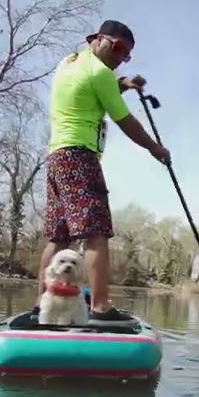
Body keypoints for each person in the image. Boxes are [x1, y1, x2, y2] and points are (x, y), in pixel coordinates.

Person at [34, 19, 171, 322]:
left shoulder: (69, 63)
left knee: (58, 237)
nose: (122, 59)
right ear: (102, 40)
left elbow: (94, 89)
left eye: (127, 56)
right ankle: (100, 308)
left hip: (57, 157)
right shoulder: (100, 73)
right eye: (120, 50)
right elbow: (126, 121)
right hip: (80, 158)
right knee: (96, 234)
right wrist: (155, 149)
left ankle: (41, 303)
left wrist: (124, 84)